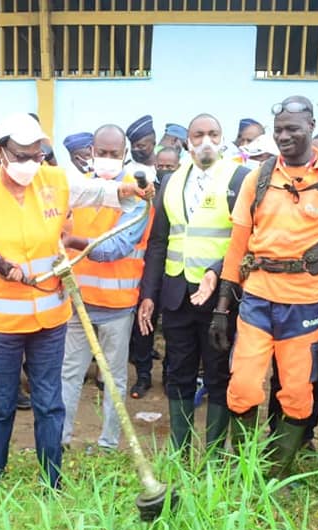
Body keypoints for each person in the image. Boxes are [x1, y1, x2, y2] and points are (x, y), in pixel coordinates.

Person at [0, 112, 150, 489]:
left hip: (50, 318)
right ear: (1, 153)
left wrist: (130, 190)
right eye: (22, 155)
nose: (32, 163)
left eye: (37, 154)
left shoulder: (55, 180)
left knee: (49, 402)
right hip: (2, 324)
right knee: (0, 402)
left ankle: (53, 480)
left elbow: (98, 191)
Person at [214, 96, 318, 478]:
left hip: (306, 305)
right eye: (278, 129)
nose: (284, 136)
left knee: (296, 394)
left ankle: (277, 475)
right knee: (243, 386)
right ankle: (245, 469)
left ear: (311, 126)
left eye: (293, 128)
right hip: (258, 299)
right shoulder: (258, 177)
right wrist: (221, 309)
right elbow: (237, 246)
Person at [139, 113, 249, 457]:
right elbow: (158, 243)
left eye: (213, 134)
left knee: (217, 372)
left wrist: (219, 275)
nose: (206, 141)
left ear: (223, 139)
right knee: (178, 370)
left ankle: (215, 453)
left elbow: (243, 240)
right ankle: (180, 451)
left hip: (220, 297)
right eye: (198, 134)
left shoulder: (240, 179)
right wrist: (148, 295)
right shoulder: (171, 181)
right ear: (186, 141)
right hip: (176, 294)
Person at [61, 124, 151, 453]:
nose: (107, 159)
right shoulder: (80, 190)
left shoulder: (137, 193)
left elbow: (116, 247)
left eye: (115, 154)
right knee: (69, 374)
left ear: (125, 154)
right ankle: (60, 439)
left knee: (113, 379)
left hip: (117, 305)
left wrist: (71, 241)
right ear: (91, 153)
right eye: (102, 153)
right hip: (78, 301)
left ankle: (108, 444)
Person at [129, 145, 181, 400]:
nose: (164, 171)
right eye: (160, 166)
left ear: (178, 166)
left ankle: (170, 375)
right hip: (147, 268)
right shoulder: (147, 191)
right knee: (144, 327)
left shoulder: (183, 193)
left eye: (169, 167)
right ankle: (143, 376)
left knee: (173, 328)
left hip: (174, 270)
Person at [126, 115, 157, 183]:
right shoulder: (127, 171)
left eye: (140, 146)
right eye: (132, 146)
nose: (135, 149)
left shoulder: (165, 165)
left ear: (153, 143)